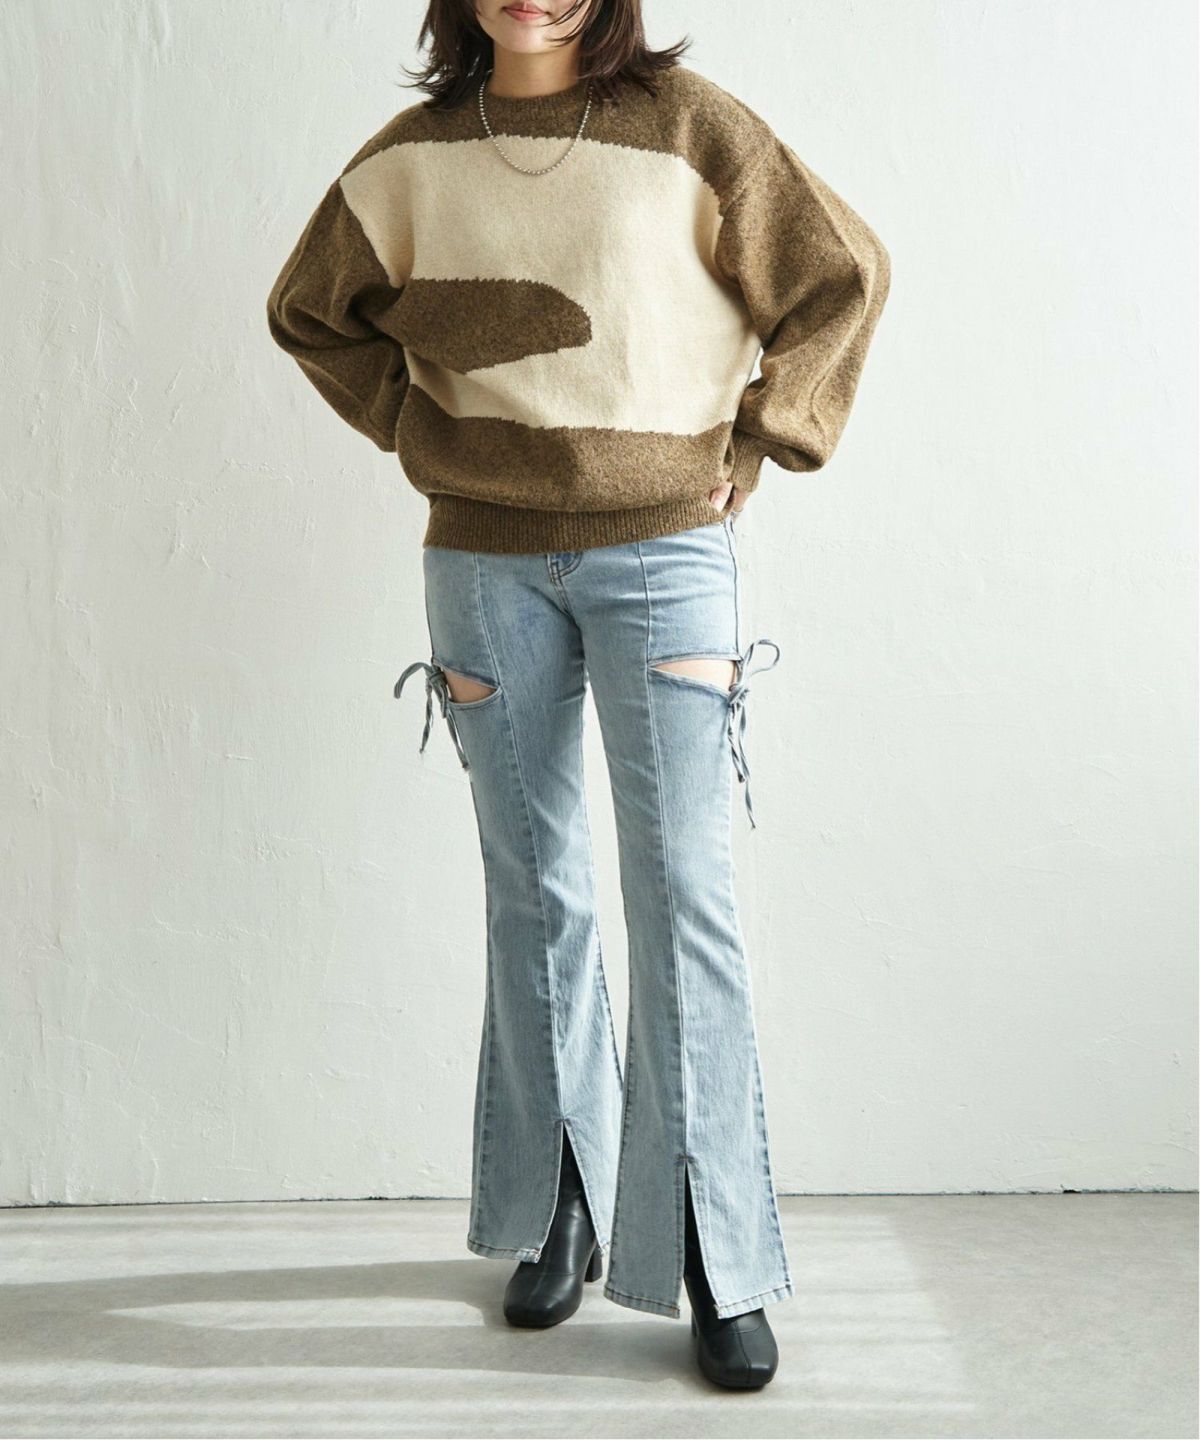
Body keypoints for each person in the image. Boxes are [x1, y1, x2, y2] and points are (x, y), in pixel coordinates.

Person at [265, 0, 890, 1391]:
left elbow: (842, 273)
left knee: (683, 893)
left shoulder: (692, 129)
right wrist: (416, 423)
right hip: (481, 563)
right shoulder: (410, 157)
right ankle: (567, 1202)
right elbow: (307, 310)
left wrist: (765, 433)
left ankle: (718, 1251)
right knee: (534, 890)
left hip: (665, 552)